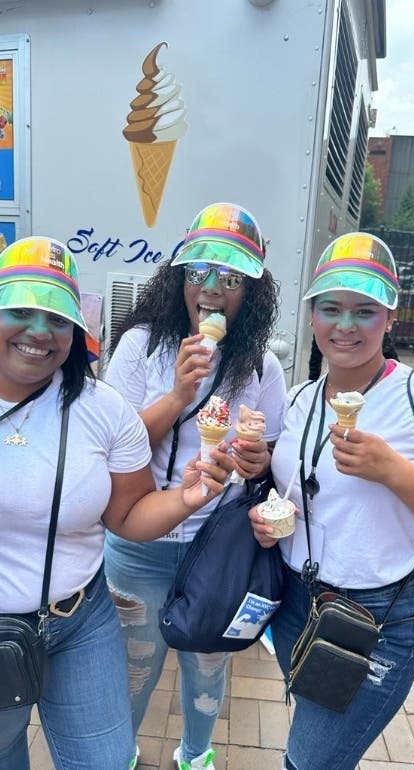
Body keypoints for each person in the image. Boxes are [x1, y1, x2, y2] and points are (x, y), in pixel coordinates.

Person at [248, 232, 414, 769]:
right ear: (312, 317)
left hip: (378, 615)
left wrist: (394, 472)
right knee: (320, 742)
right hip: (296, 602)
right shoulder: (301, 399)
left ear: (390, 318)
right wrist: (266, 516)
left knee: (310, 759)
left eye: (365, 311)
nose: (346, 325)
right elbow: (296, 490)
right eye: (331, 309)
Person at [0, 237, 228, 768]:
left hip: (80, 621)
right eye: (21, 311)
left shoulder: (103, 410)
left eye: (57, 318)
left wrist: (190, 495)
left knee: (105, 758)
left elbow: (126, 516)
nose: (40, 332)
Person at [103, 203, 286, 770]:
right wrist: (180, 395)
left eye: (230, 279)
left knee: (208, 666)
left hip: (217, 549)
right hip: (138, 547)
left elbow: (272, 453)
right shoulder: (140, 348)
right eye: (198, 273)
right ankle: (121, 756)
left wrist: (257, 461)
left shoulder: (261, 369)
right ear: (178, 280)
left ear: (249, 294)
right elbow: (113, 448)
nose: (211, 289)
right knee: (134, 668)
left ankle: (196, 756)